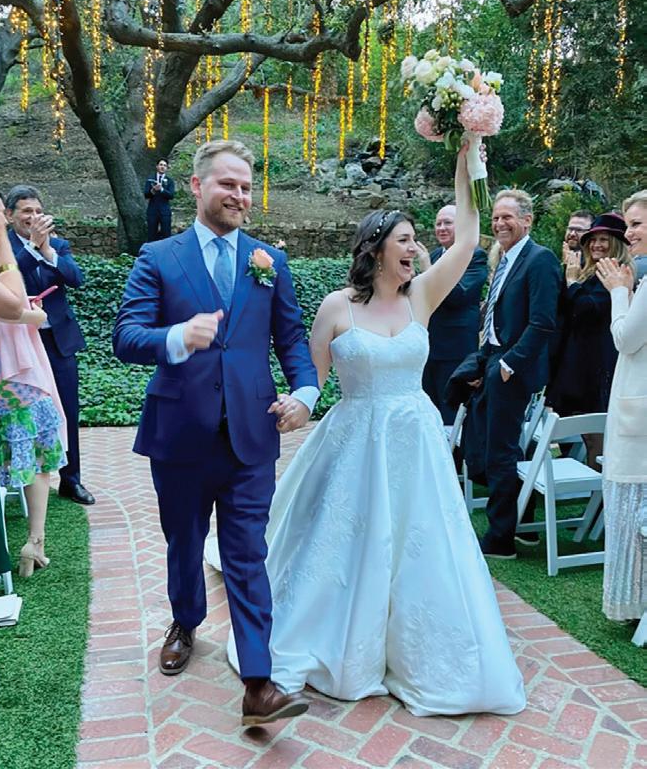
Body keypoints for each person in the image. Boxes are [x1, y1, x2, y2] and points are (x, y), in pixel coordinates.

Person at [222, 144, 526, 717]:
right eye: (405, 240)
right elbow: (311, 378)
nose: (415, 249)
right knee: (347, 545)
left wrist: (467, 162)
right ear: (376, 248)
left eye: (415, 241)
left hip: (414, 442)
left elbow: (467, 238)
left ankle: (418, 650)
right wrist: (298, 405)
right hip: (355, 440)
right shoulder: (337, 307)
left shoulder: (422, 296)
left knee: (420, 544)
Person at [113, 139, 319, 727]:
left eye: (246, 187)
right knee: (183, 540)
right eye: (228, 184)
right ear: (197, 186)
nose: (239, 195)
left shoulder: (268, 261)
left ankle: (259, 683)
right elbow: (126, 336)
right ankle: (185, 621)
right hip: (180, 433)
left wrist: (305, 393)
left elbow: (290, 338)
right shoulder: (158, 256)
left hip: (251, 433)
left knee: (247, 553)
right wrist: (177, 337)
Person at [463, 189, 561, 559]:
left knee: (501, 451)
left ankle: (500, 538)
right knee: (487, 446)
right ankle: (522, 519)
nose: (499, 224)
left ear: (527, 220)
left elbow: (543, 322)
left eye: (507, 217)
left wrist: (508, 365)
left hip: (513, 369)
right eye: (496, 218)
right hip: (493, 361)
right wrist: (484, 361)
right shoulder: (505, 260)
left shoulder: (540, 260)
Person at [0, 176, 67, 577]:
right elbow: (12, 306)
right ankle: (34, 540)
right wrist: (34, 315)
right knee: (38, 449)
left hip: (2, 365)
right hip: (8, 368)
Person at [5, 185, 93, 505]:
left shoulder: (57, 245)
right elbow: (11, 277)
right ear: (10, 215)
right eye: (27, 211)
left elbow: (76, 278)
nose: (34, 216)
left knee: (68, 410)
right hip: (21, 343)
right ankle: (23, 480)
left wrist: (47, 250)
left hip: (58, 341)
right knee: (23, 412)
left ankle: (71, 480)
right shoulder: (1, 247)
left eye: (38, 211)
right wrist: (31, 247)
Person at [597, 190, 647, 622]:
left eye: (636, 224)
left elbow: (625, 339)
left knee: (632, 507)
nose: (627, 233)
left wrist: (618, 292)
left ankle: (635, 603)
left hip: (638, 409)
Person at [547, 213, 634, 463]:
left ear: (616, 243)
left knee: (597, 435)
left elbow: (588, 310)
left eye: (603, 239)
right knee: (582, 433)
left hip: (597, 363)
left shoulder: (617, 273)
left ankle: (600, 482)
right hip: (575, 361)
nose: (596, 245)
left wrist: (573, 282)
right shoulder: (588, 272)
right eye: (593, 240)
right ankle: (586, 476)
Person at [421, 204, 487, 425]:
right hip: (429, 347)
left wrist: (427, 268)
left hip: (455, 349)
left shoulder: (475, 256)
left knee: (451, 414)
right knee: (428, 413)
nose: (441, 228)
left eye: (447, 223)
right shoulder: (434, 255)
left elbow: (457, 296)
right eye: (438, 223)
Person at [144, 158, 175, 242]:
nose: (162, 167)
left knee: (166, 234)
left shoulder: (170, 181)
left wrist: (162, 189)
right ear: (157, 166)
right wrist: (153, 190)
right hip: (152, 211)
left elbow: (171, 195)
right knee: (151, 234)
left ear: (167, 168)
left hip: (165, 211)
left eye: (165, 165)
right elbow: (146, 194)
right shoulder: (150, 179)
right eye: (161, 165)